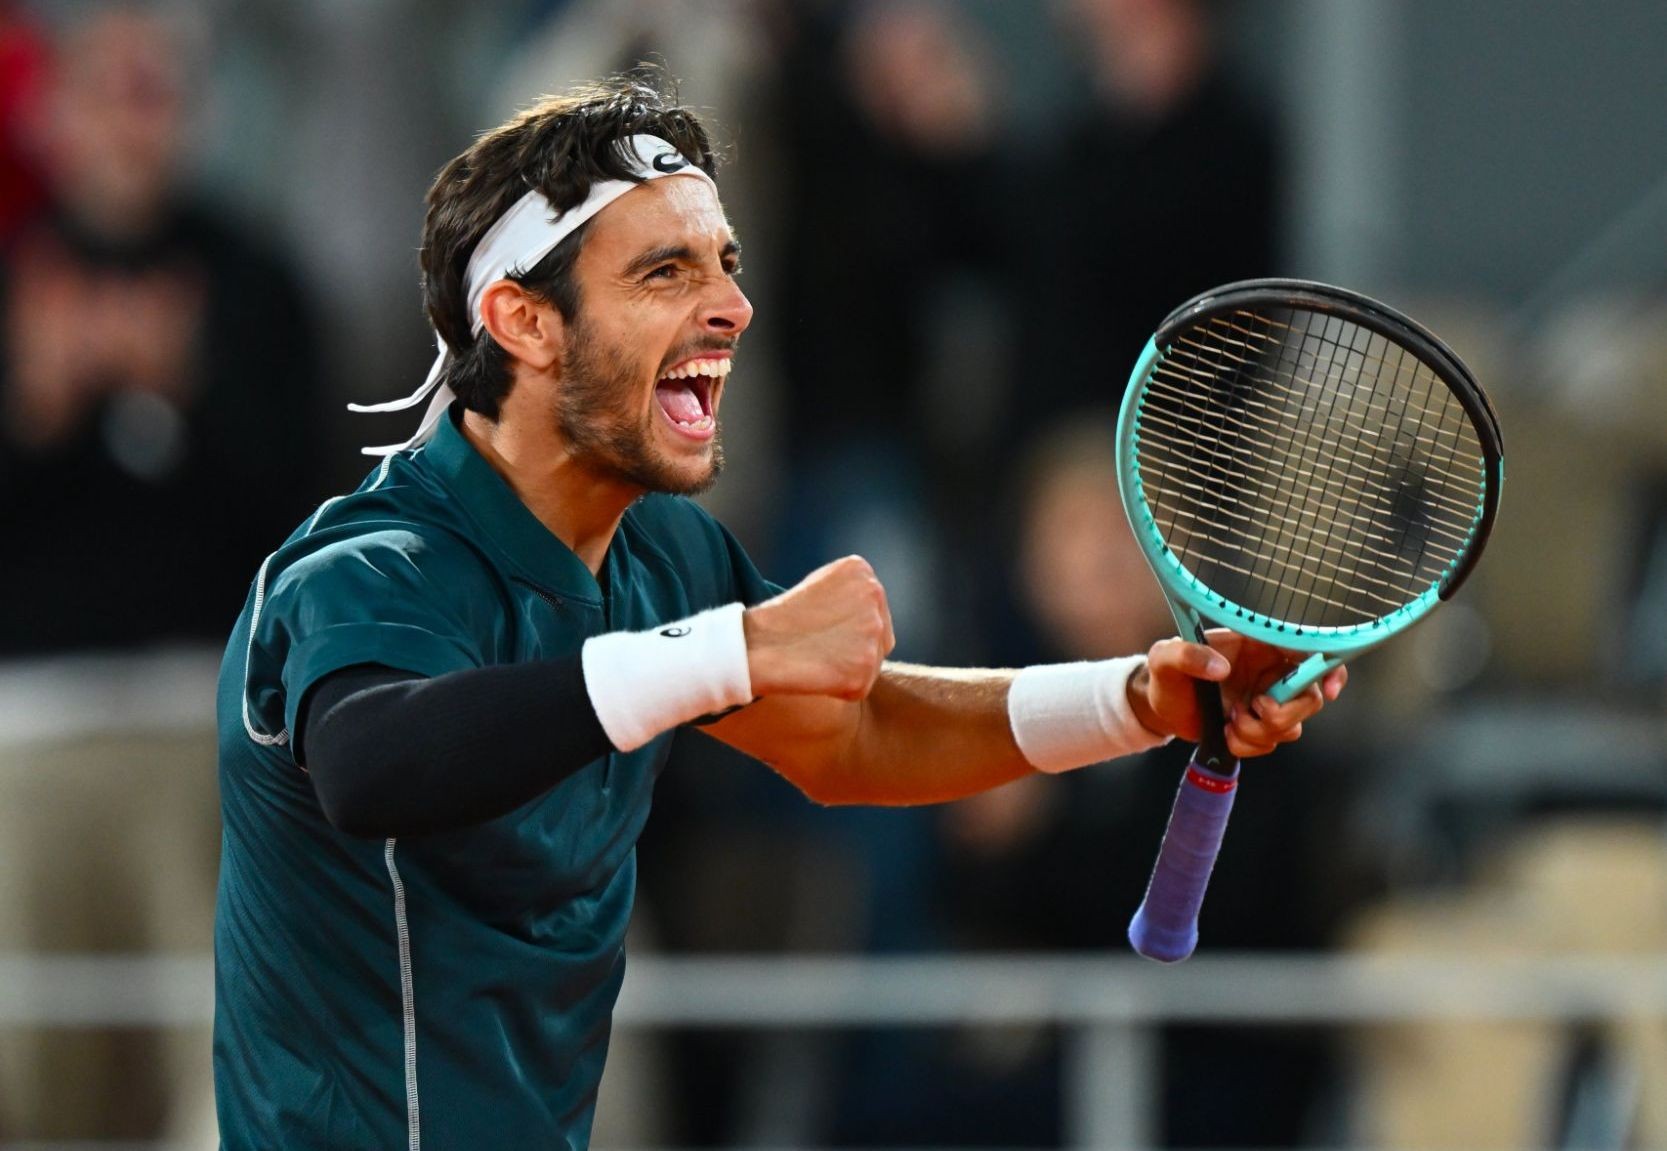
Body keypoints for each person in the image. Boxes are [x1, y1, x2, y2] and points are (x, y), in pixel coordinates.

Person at [213, 76, 1346, 1148]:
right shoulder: (365, 568)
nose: (732, 307)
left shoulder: (664, 552)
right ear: (524, 321)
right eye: (664, 272)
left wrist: (1136, 699)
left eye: (726, 263)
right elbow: (373, 766)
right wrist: (730, 647)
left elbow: (852, 733)